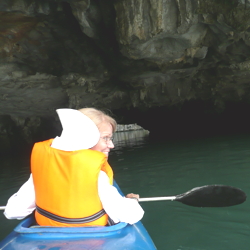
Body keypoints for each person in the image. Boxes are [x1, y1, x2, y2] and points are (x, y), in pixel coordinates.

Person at [4, 108, 144, 226]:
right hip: (93, 241)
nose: (111, 145)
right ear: (86, 138)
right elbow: (131, 216)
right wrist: (132, 201)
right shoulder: (97, 177)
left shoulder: (41, 172)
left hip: (48, 239)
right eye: (106, 138)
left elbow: (13, 212)